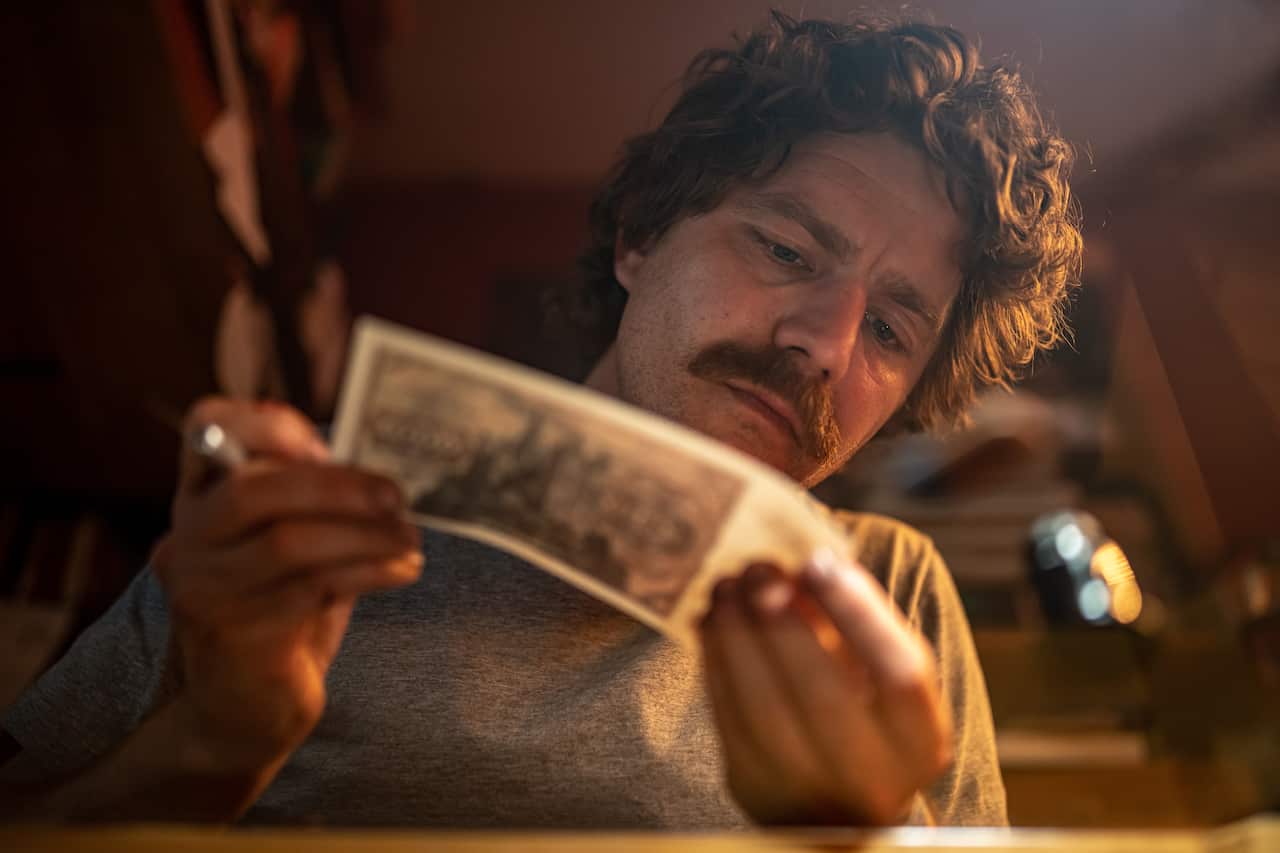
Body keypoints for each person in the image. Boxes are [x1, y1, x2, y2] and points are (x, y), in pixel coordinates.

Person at [0, 12, 1080, 828]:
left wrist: (855, 841)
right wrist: (212, 746)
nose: (824, 344)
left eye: (891, 332)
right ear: (638, 242)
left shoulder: (887, 599)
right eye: (786, 253)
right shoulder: (299, 533)